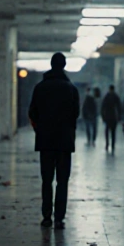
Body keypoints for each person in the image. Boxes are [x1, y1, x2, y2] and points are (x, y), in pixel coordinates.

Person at [27, 53, 80, 229]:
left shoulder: (40, 87)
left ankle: (46, 216)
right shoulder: (71, 89)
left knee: (47, 180)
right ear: (64, 66)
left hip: (45, 141)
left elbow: (32, 112)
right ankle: (59, 218)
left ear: (51, 65)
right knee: (62, 181)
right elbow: (75, 114)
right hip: (65, 142)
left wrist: (40, 129)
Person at [100, 85, 122, 153]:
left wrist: (103, 117)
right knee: (113, 132)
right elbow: (119, 107)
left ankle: (107, 144)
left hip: (107, 117)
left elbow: (102, 107)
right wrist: (119, 117)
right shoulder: (116, 96)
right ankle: (112, 145)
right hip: (113, 117)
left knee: (107, 131)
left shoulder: (106, 96)